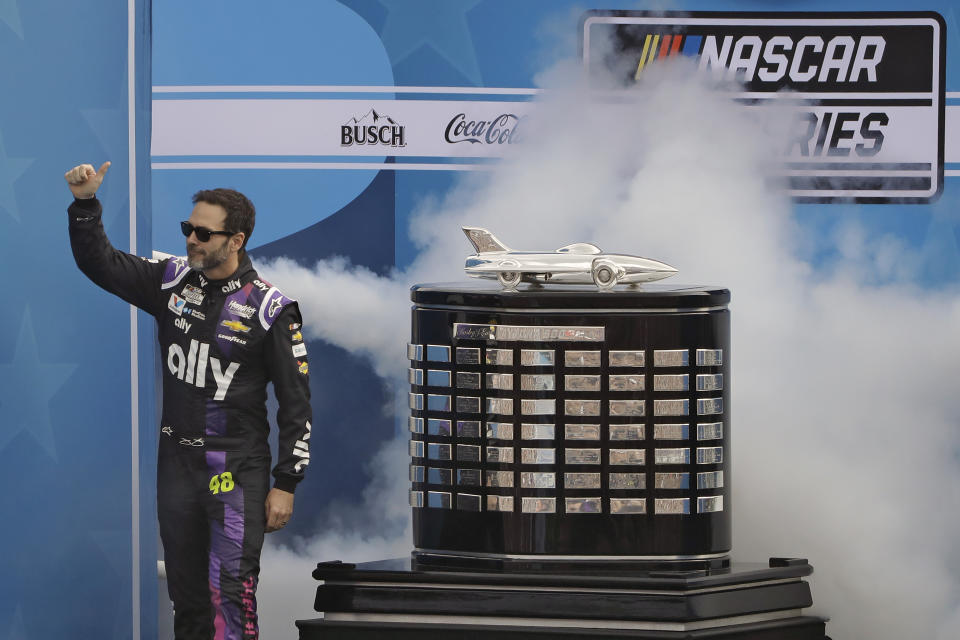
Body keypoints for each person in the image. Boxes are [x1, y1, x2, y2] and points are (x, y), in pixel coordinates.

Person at [65, 162, 312, 640]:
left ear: (236, 240)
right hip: (176, 461)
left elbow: (297, 404)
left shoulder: (270, 308)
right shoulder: (173, 280)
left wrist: (287, 483)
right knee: (186, 595)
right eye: (188, 229)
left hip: (235, 468)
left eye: (204, 232)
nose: (192, 239)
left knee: (230, 593)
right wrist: (84, 206)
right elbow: (103, 264)